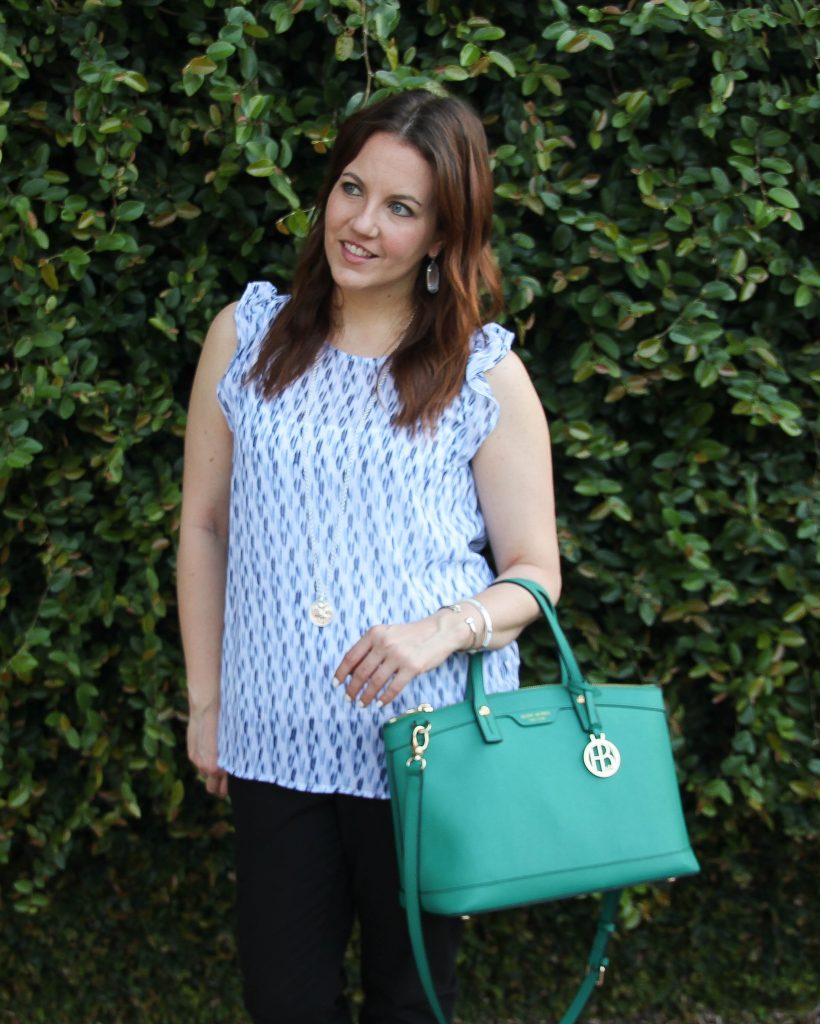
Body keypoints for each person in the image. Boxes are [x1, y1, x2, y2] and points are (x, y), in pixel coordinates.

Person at [177, 89, 561, 1024]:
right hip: (272, 737)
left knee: (410, 1000)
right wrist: (206, 700)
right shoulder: (247, 336)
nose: (360, 223)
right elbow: (204, 527)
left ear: (442, 234)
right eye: (352, 188)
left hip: (429, 746)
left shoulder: (483, 372)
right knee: (285, 1001)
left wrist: (441, 632)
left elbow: (536, 575)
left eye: (401, 208)